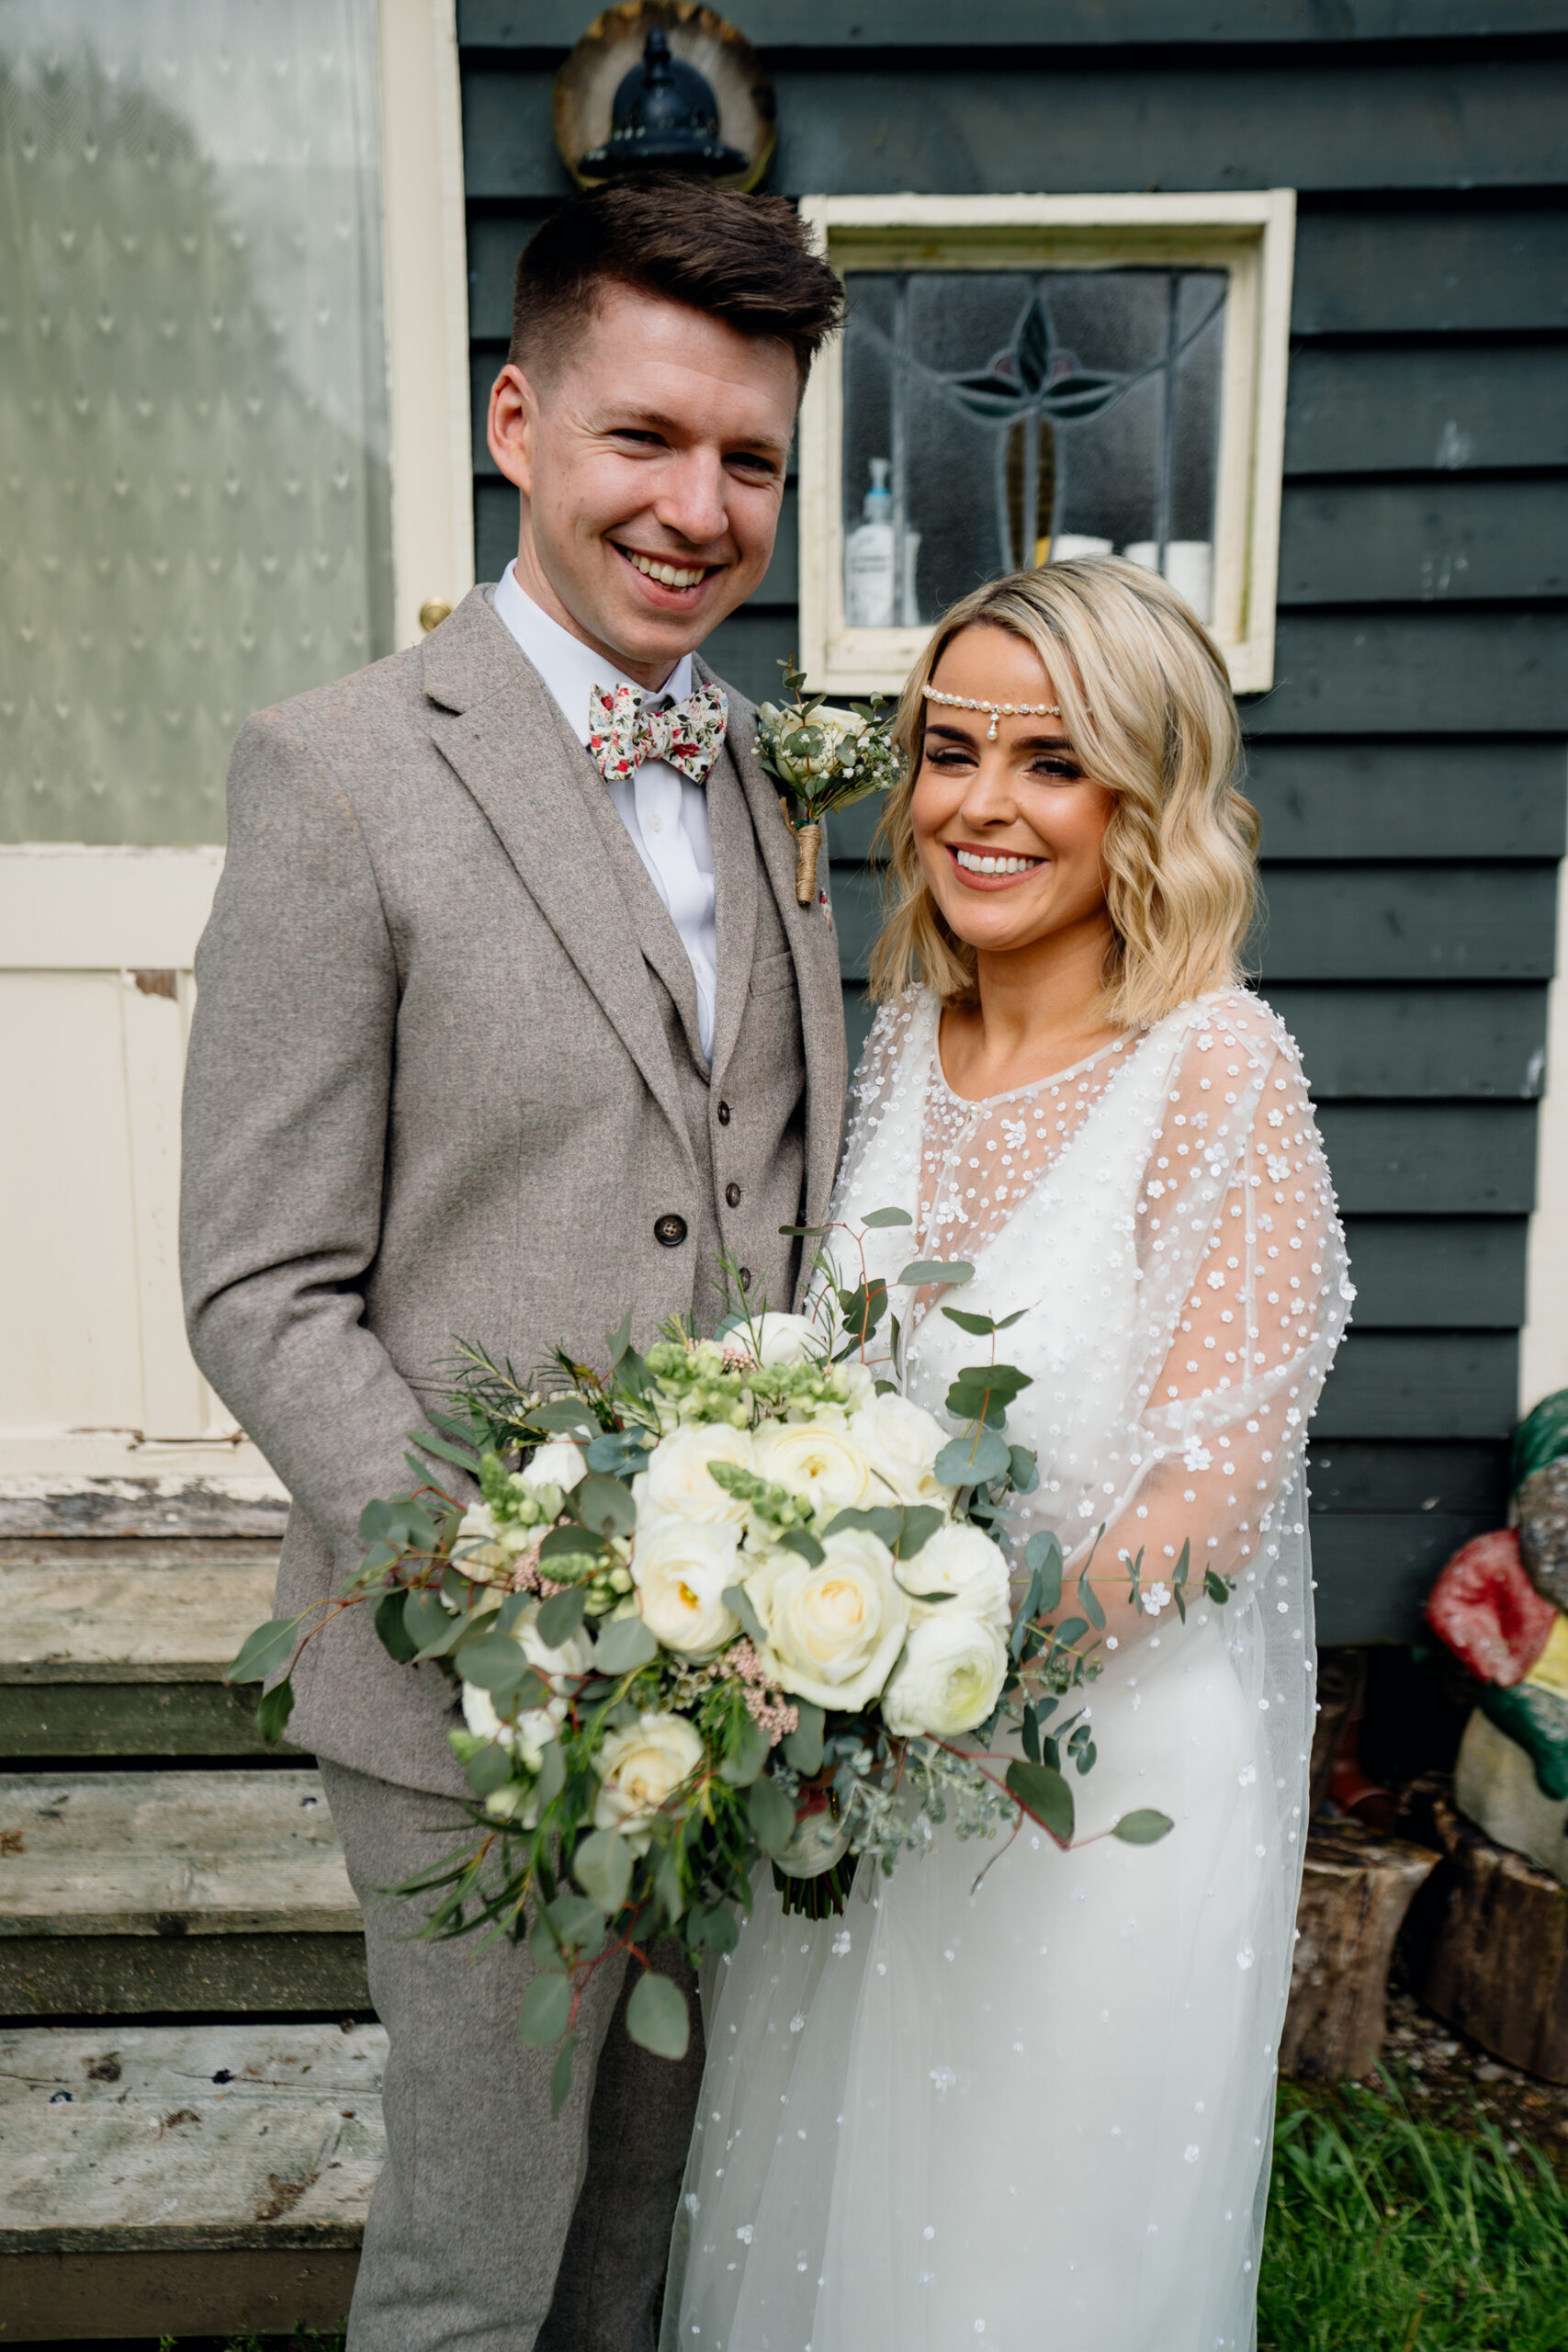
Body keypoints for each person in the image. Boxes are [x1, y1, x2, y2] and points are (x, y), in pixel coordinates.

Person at [178, 175, 845, 2352]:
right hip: (473, 1693)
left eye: (745, 456)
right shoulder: (341, 773)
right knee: (477, 2258)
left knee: (636, 2233)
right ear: (515, 419)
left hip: (736, 1672)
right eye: (642, 437)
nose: (695, 504)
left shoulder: (769, 774)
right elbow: (260, 1280)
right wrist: (512, 1586)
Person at [661, 559, 1353, 2352]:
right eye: (947, 748)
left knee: (1010, 2271)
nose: (978, 802)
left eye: (1048, 761)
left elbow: (1208, 1497)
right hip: (855, 1761)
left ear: (1146, 792)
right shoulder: (899, 1039)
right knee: (826, 2238)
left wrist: (931, 1676)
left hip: (1082, 1783)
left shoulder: (1218, 1073)